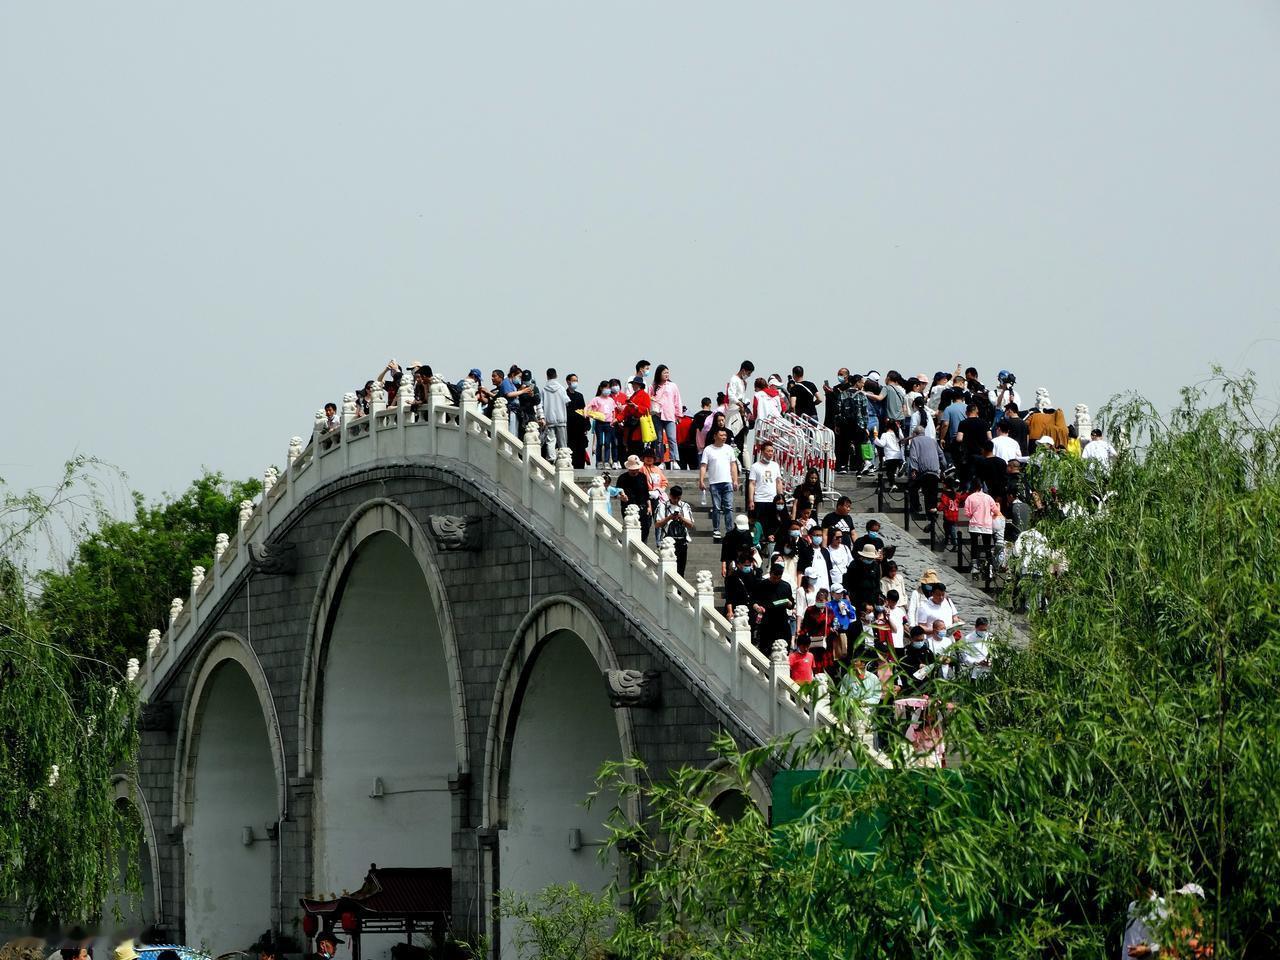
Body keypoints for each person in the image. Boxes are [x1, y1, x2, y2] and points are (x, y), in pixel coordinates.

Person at [699, 427, 740, 541]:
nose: (724, 437)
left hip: (727, 482)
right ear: (715, 436)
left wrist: (735, 480)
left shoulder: (729, 449)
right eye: (721, 435)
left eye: (725, 435)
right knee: (716, 508)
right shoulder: (708, 449)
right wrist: (701, 480)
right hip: (714, 483)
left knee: (729, 507)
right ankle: (716, 529)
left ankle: (729, 530)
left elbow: (733, 465)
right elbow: (703, 466)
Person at [751, 562, 795, 655]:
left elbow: (791, 604)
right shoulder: (762, 585)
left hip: (781, 620)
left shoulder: (785, 586)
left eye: (779, 578)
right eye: (774, 577)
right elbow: (753, 601)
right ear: (770, 574)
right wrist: (757, 607)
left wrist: (789, 603)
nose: (776, 580)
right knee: (766, 648)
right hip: (767, 620)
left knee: (783, 648)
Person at [655, 484, 695, 575]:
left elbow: (691, 525)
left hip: (682, 542)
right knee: (667, 571)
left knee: (680, 571)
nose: (676, 500)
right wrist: (669, 517)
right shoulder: (662, 506)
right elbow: (657, 524)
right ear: (670, 495)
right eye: (674, 497)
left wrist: (681, 518)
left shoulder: (685, 506)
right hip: (667, 542)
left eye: (678, 498)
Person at [905, 425, 943, 517]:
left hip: (923, 471)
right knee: (933, 492)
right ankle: (932, 513)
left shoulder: (915, 440)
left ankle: (916, 507)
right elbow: (941, 454)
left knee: (914, 487)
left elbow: (913, 456)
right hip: (934, 470)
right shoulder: (933, 440)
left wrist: (914, 470)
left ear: (915, 433)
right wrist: (944, 466)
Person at [651, 364, 684, 467]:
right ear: (659, 374)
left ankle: (674, 460)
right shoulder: (653, 386)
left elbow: (677, 400)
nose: (667, 374)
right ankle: (661, 460)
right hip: (657, 415)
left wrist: (678, 415)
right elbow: (649, 398)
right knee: (659, 440)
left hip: (669, 415)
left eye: (667, 373)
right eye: (664, 373)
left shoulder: (672, 386)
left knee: (672, 438)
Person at [616, 454, 653, 542]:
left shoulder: (642, 476)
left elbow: (646, 493)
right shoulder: (622, 478)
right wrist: (621, 497)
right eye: (633, 469)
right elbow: (616, 492)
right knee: (631, 529)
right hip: (628, 509)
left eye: (636, 469)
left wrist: (649, 506)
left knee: (645, 529)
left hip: (642, 507)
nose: (635, 471)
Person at [964, 479, 998, 574]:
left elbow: (967, 513)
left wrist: (973, 514)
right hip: (986, 525)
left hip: (974, 524)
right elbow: (995, 510)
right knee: (987, 545)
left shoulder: (970, 498)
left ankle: (975, 565)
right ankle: (989, 565)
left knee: (974, 545)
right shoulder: (988, 498)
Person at [747, 440, 784, 522]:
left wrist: (781, 497)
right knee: (759, 523)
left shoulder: (775, 465)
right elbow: (752, 484)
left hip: (772, 499)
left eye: (772, 451)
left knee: (772, 523)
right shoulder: (755, 466)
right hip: (759, 499)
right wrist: (751, 500)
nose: (770, 453)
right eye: (768, 451)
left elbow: (778, 482)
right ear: (763, 452)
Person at [725, 360, 755, 454]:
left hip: (741, 411)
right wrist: (739, 403)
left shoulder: (742, 381)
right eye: (748, 373)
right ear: (743, 370)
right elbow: (731, 395)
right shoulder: (734, 379)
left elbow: (741, 396)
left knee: (741, 437)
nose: (749, 375)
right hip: (734, 411)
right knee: (734, 435)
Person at [723, 548, 759, 619]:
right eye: (745, 565)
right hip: (736, 608)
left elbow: (754, 593)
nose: (748, 567)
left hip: (748, 608)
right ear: (739, 565)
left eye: (749, 565)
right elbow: (729, 596)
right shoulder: (732, 578)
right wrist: (730, 611)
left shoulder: (752, 576)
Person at [541, 368, 568, 459]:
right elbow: (567, 401)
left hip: (549, 418)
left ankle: (551, 458)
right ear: (556, 376)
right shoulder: (561, 388)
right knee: (562, 442)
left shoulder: (544, 390)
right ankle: (564, 458)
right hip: (561, 418)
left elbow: (541, 405)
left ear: (547, 376)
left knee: (550, 441)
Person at [565, 373, 589, 468]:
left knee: (580, 450)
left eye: (576, 380)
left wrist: (586, 426)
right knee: (570, 449)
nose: (575, 382)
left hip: (580, 428)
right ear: (568, 382)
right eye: (573, 380)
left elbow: (584, 411)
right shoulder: (564, 395)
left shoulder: (579, 396)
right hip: (569, 428)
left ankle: (580, 467)